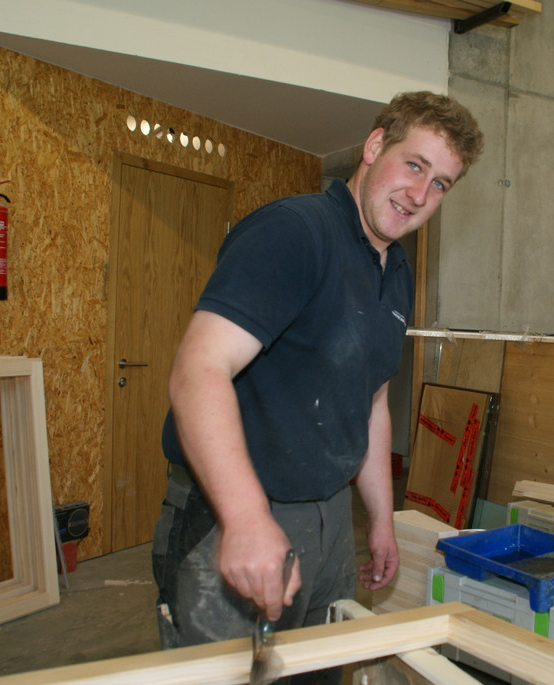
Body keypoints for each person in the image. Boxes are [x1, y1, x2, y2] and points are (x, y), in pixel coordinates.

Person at [151, 91, 483, 681]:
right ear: (374, 146)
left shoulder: (395, 272)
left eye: (440, 184)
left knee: (321, 674)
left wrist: (380, 517)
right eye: (413, 165)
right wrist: (246, 518)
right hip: (231, 516)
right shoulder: (295, 232)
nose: (419, 194)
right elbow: (198, 370)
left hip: (330, 521)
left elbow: (372, 402)